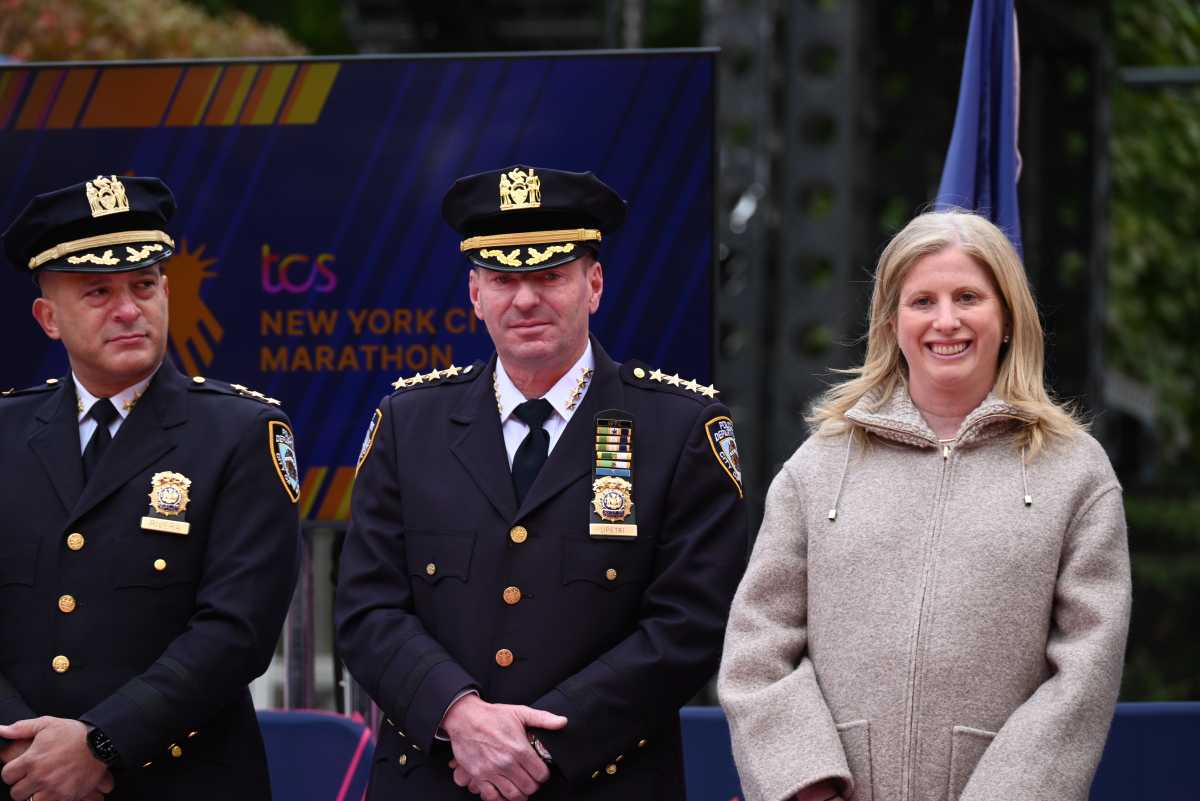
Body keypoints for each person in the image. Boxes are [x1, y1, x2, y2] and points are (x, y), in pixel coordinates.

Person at [336, 165, 747, 801]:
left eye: (550, 275)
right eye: (503, 278)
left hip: (604, 780)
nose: (525, 299)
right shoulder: (406, 424)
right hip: (436, 777)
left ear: (595, 285)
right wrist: (461, 718)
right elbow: (366, 609)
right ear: (474, 294)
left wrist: (542, 744)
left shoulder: (681, 428)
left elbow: (691, 624)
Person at [718, 210, 1131, 801]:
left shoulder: (1076, 471)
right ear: (891, 322)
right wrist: (807, 786)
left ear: (1008, 316)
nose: (946, 321)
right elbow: (759, 641)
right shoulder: (819, 464)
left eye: (968, 297)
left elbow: (1085, 672)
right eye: (922, 301)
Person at [0, 176, 301, 801]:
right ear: (48, 317)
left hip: (179, 779)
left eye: (144, 285)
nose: (129, 309)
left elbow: (236, 632)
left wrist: (99, 743)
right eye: (98, 292)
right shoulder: (5, 433)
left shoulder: (241, 432)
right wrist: (21, 744)